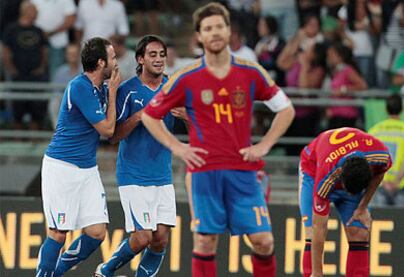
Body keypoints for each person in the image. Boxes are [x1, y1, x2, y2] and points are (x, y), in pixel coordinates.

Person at [142, 3, 295, 276]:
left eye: (219, 27)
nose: (214, 33)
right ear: (199, 36)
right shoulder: (186, 78)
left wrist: (265, 145)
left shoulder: (250, 72)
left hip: (244, 172)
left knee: (263, 241)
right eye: (207, 28)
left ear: (228, 31)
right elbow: (150, 115)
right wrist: (178, 148)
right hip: (204, 171)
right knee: (205, 241)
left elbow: (286, 109)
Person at [94, 35, 180, 277]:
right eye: (152, 55)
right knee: (142, 237)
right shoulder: (128, 91)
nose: (159, 60)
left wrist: (187, 116)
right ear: (140, 59)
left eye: (162, 55)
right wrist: (140, 116)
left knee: (160, 239)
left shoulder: (173, 88)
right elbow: (113, 136)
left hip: (162, 174)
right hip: (134, 174)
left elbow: (198, 123)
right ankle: (105, 270)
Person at [36, 37, 121, 277]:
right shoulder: (80, 87)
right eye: (113, 58)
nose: (116, 63)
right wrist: (113, 93)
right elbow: (107, 130)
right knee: (58, 233)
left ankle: (57, 272)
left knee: (97, 232)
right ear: (102, 62)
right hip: (62, 167)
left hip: (86, 169)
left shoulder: (100, 89)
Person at [299, 127, 392, 277]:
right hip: (313, 170)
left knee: (359, 233)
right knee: (311, 232)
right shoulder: (326, 178)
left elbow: (380, 173)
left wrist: (363, 207)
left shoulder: (380, 155)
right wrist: (317, 272)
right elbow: (319, 226)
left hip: (348, 166)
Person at [2, 0, 48, 130]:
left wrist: (41, 68)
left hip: (35, 76)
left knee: (36, 110)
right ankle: (18, 145)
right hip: (18, 75)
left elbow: (44, 51)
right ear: (25, 11)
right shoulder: (11, 29)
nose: (37, 13)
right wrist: (11, 69)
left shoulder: (39, 30)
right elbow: (5, 51)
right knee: (18, 110)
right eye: (34, 10)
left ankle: (34, 143)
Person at [369, 95, 404, 206]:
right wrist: (397, 181)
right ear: (403, 109)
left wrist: (383, 181)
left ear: (385, 109)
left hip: (379, 184)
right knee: (402, 221)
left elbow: (369, 160)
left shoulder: (374, 131)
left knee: (381, 221)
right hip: (403, 184)